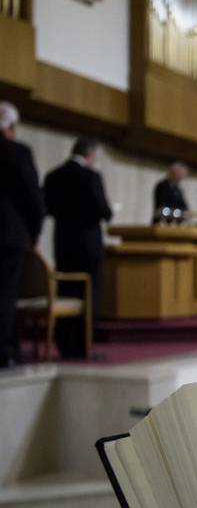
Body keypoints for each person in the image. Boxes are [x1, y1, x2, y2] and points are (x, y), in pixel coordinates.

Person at [44, 136, 113, 359]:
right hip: (88, 245)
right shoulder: (91, 176)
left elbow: (47, 208)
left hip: (63, 243)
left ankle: (65, 344)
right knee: (90, 293)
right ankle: (84, 346)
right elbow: (104, 211)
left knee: (67, 290)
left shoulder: (53, 175)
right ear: (90, 154)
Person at [0, 102, 45, 368]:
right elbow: (33, 199)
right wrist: (34, 233)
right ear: (12, 126)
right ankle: (4, 351)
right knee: (6, 293)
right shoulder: (18, 152)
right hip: (9, 234)